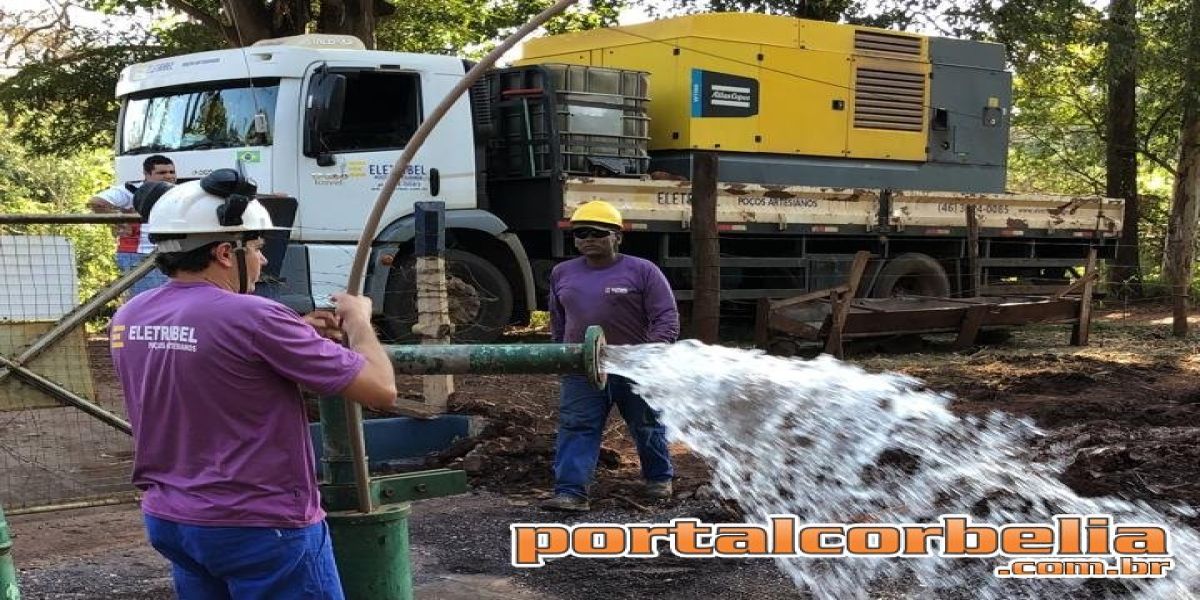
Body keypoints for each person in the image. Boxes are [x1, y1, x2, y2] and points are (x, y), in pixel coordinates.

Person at [110, 169, 398, 599]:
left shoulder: (131, 314)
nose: (262, 261)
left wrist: (295, 334)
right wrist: (359, 322)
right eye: (258, 248)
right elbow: (380, 388)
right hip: (260, 524)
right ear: (226, 252)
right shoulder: (255, 315)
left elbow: (208, 355)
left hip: (173, 520)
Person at [542, 200, 680, 512]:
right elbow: (558, 319)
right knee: (577, 426)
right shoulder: (562, 273)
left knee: (646, 424)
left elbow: (666, 317)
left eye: (597, 232)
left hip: (634, 367)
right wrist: (560, 354)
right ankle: (571, 492)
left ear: (617, 236)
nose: (588, 239)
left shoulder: (643, 271)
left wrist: (650, 355)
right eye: (580, 233)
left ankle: (659, 479)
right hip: (583, 366)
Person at [89, 155, 177, 296]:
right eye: (161, 173)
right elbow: (96, 202)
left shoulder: (177, 192)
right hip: (138, 254)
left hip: (170, 253)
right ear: (147, 174)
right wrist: (121, 219)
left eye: (172, 172)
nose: (168, 176)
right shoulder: (131, 190)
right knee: (148, 300)